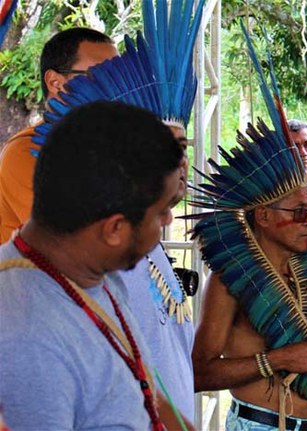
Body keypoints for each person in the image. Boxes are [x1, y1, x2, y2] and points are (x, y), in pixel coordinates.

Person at [19, 0, 205, 419]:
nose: (179, 165)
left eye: (181, 149)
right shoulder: (30, 165)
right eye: (166, 152)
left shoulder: (128, 237)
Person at [190, 32, 307, 431]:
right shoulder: (232, 279)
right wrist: (276, 359)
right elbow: (200, 373)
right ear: (262, 216)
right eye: (298, 213)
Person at [0, 101, 185, 429]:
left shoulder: (93, 271)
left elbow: (144, 391)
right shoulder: (27, 335)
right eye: (161, 212)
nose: (168, 220)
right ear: (114, 229)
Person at [0, 27, 117, 242]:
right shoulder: (27, 151)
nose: (114, 87)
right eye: (100, 76)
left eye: (118, 77)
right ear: (55, 82)